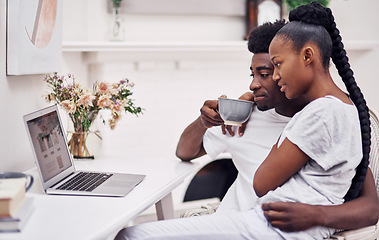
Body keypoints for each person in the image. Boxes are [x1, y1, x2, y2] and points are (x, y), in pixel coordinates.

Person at [115, 2, 376, 239]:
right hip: (234, 223)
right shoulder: (244, 117)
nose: (254, 84)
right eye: (253, 74)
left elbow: (367, 204)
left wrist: (316, 215)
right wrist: (203, 121)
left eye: (268, 71)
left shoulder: (322, 118)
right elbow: (184, 152)